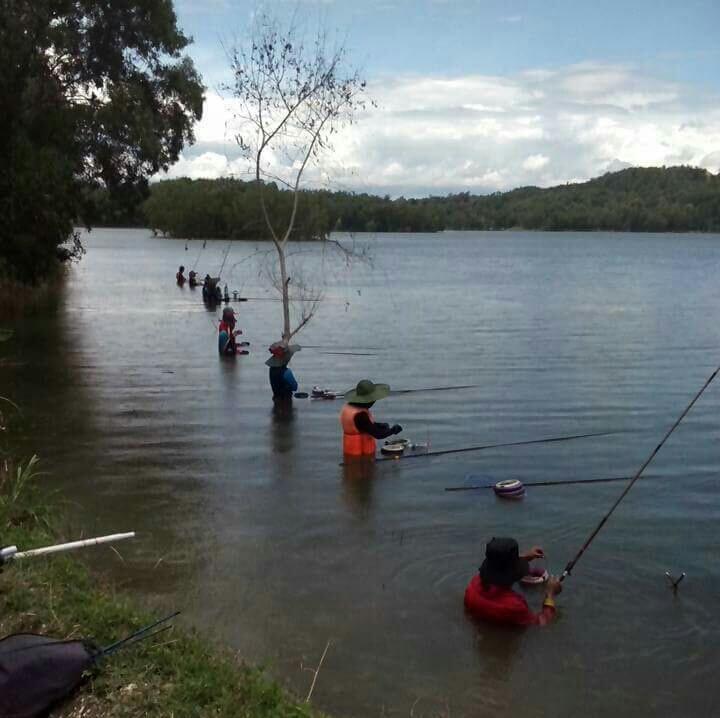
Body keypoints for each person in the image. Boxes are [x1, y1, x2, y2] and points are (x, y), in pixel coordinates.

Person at [464, 537, 562, 627]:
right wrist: (550, 594)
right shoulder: (514, 606)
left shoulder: (473, 585)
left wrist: (525, 557)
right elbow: (541, 622)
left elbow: (499, 565)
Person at [340, 379, 402, 458]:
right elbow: (378, 434)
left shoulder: (348, 408)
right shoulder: (361, 415)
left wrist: (378, 425)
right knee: (366, 469)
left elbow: (362, 426)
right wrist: (393, 430)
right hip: (362, 455)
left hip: (350, 451)